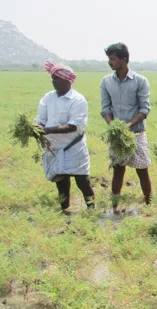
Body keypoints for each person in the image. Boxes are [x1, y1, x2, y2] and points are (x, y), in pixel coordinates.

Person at [35, 60, 95, 212]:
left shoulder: (77, 100)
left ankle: (92, 209)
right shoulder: (48, 98)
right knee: (61, 180)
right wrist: (37, 127)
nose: (53, 81)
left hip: (74, 146)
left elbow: (72, 126)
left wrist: (47, 130)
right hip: (55, 146)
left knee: (82, 180)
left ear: (67, 80)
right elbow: (41, 119)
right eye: (53, 78)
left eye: (57, 78)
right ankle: (65, 209)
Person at [100, 42, 152, 212]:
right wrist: (114, 126)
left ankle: (149, 205)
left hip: (137, 133)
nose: (110, 62)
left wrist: (129, 125)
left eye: (113, 59)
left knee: (142, 170)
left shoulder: (140, 81)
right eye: (109, 59)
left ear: (124, 60)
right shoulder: (106, 82)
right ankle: (115, 206)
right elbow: (105, 109)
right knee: (118, 170)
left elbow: (145, 109)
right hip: (117, 135)